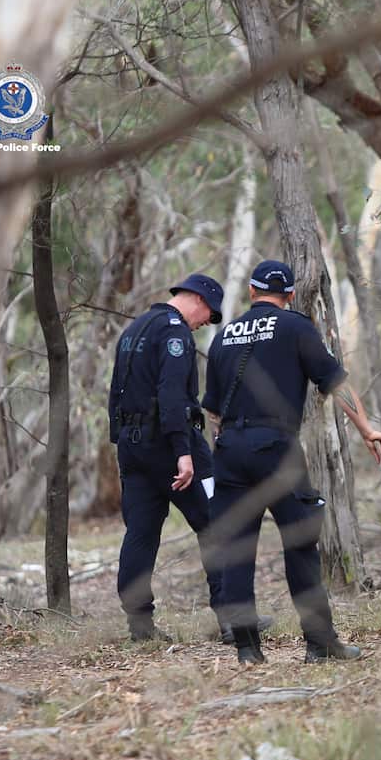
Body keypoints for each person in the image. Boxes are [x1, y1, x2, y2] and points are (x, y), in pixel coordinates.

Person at [203, 259, 381, 665]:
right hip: (276, 448)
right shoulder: (296, 327)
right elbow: (335, 384)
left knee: (236, 550)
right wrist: (367, 430)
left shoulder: (224, 336)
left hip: (230, 449)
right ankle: (320, 645)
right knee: (300, 545)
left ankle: (248, 650)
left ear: (252, 292)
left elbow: (213, 412)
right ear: (288, 296)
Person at [108, 273, 227, 642]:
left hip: (133, 446)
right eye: (210, 314)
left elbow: (116, 391)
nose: (207, 322)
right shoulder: (175, 332)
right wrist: (183, 453)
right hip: (173, 446)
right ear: (198, 300)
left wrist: (122, 443)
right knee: (218, 523)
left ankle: (140, 626)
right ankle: (234, 619)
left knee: (140, 534)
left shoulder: (135, 329)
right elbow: (172, 393)